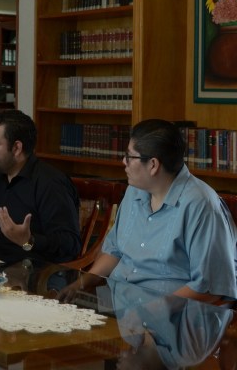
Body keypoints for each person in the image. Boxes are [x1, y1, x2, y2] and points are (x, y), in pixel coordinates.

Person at [59, 119, 237, 304]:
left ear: (153, 165)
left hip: (168, 312)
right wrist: (81, 283)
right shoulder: (134, 190)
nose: (123, 162)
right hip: (117, 302)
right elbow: (114, 251)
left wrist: (150, 310)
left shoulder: (201, 205)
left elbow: (210, 289)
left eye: (129, 156)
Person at [0, 109, 81, 265]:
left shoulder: (51, 183)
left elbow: (70, 245)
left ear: (16, 148)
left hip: (36, 273)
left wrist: (28, 241)